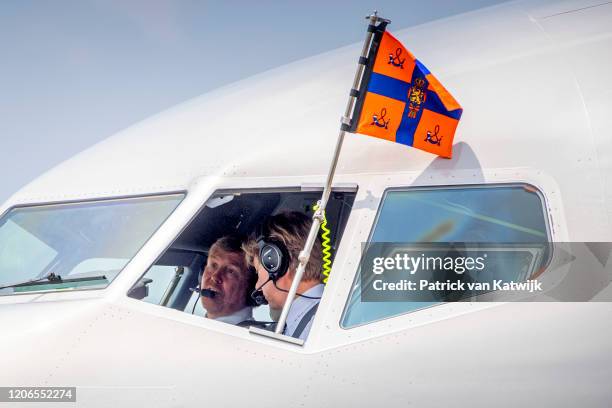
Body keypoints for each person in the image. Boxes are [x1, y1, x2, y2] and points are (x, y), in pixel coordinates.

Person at [244, 211, 324, 341]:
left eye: (259, 274)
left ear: (277, 265)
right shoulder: (310, 319)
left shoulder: (315, 330)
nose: (257, 287)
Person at [200, 235, 257, 325]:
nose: (215, 276)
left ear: (251, 289)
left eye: (230, 271)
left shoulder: (248, 338)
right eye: (213, 265)